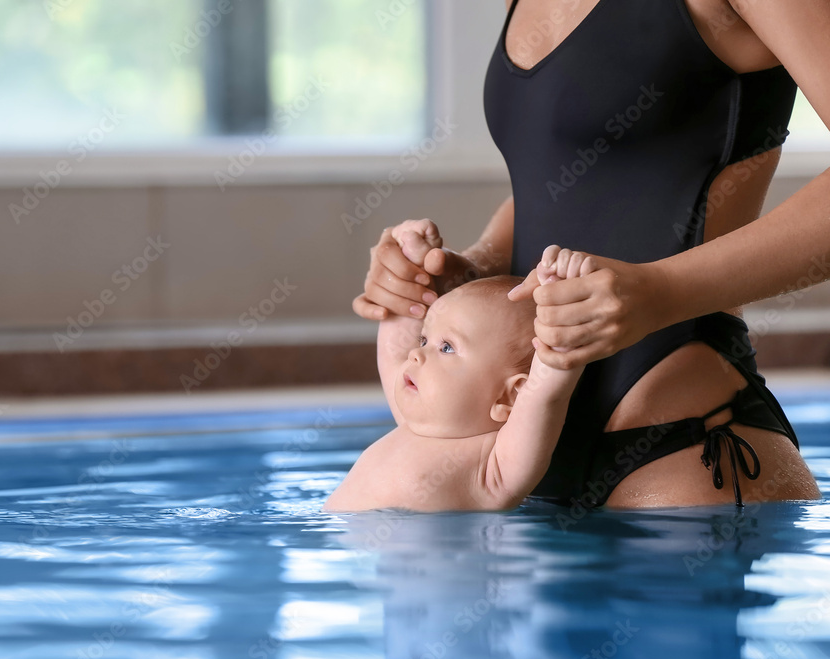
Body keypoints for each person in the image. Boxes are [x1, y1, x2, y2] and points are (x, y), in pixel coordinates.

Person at [352, 0, 827, 509]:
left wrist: (661, 293)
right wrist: (466, 271)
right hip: (517, 460)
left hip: (677, 443)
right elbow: (567, 176)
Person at [323, 243, 596, 512]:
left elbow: (547, 389)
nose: (416, 354)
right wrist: (411, 263)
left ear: (511, 395)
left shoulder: (496, 468)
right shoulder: (414, 419)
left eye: (447, 347)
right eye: (424, 339)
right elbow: (395, 342)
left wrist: (567, 305)